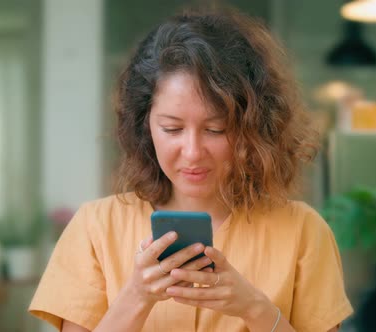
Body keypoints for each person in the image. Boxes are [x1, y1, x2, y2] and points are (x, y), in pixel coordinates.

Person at [29, 6, 353, 332]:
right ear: (146, 126)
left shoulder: (304, 232)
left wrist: (256, 309)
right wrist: (136, 298)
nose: (193, 152)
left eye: (216, 129)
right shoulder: (94, 228)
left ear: (250, 127)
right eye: (172, 129)